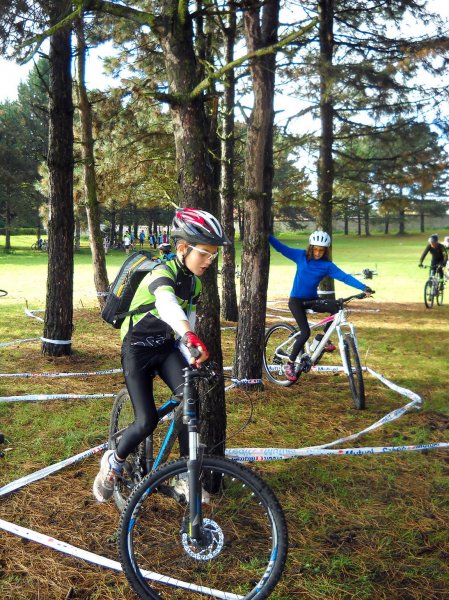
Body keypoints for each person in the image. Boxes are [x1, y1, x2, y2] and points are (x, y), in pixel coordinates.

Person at [93, 207, 230, 502]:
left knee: (189, 399)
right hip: (138, 350)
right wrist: (189, 335)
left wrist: (190, 349)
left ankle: (183, 476)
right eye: (204, 253)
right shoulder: (161, 272)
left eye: (213, 254)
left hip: (166, 347)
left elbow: (187, 320)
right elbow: (167, 304)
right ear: (182, 247)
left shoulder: (193, 282)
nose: (210, 260)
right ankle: (112, 462)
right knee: (146, 422)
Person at [269, 230, 373, 382]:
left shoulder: (326, 265)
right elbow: (281, 248)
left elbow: (344, 277)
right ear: (311, 247)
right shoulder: (301, 256)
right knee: (304, 333)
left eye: (321, 250)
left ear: (325, 250)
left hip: (312, 299)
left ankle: (322, 339)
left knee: (336, 308)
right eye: (316, 249)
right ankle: (290, 363)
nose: (318, 252)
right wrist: (267, 235)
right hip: (296, 301)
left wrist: (363, 287)